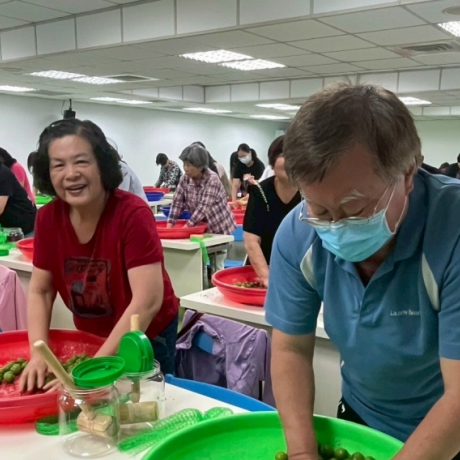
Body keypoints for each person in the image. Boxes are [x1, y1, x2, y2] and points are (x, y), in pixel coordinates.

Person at [253, 84, 460, 460]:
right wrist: (301, 456)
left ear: (408, 174)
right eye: (320, 209)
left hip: (458, 445)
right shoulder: (298, 233)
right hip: (363, 421)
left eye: (355, 208)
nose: (335, 225)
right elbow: (290, 348)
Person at [20, 119, 180, 389]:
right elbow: (41, 291)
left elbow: (147, 301)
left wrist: (93, 368)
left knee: (142, 408)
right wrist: (38, 353)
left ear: (102, 166)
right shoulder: (48, 218)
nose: (70, 174)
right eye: (58, 165)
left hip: (145, 334)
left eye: (81, 161)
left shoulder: (132, 214)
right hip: (92, 333)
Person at [243, 136, 301, 286]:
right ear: (272, 163)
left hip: (300, 273)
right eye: (284, 155)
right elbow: (251, 241)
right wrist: (267, 278)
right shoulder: (260, 192)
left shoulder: (311, 193)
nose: (291, 161)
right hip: (262, 271)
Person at [170, 145, 236, 273]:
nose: (186, 168)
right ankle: (202, 289)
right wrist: (170, 225)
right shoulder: (185, 179)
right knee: (200, 264)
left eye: (189, 165)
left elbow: (203, 208)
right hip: (201, 228)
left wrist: (185, 229)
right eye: (184, 164)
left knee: (217, 265)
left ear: (200, 166)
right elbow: (177, 202)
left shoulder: (212, 179)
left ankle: (217, 289)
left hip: (219, 228)